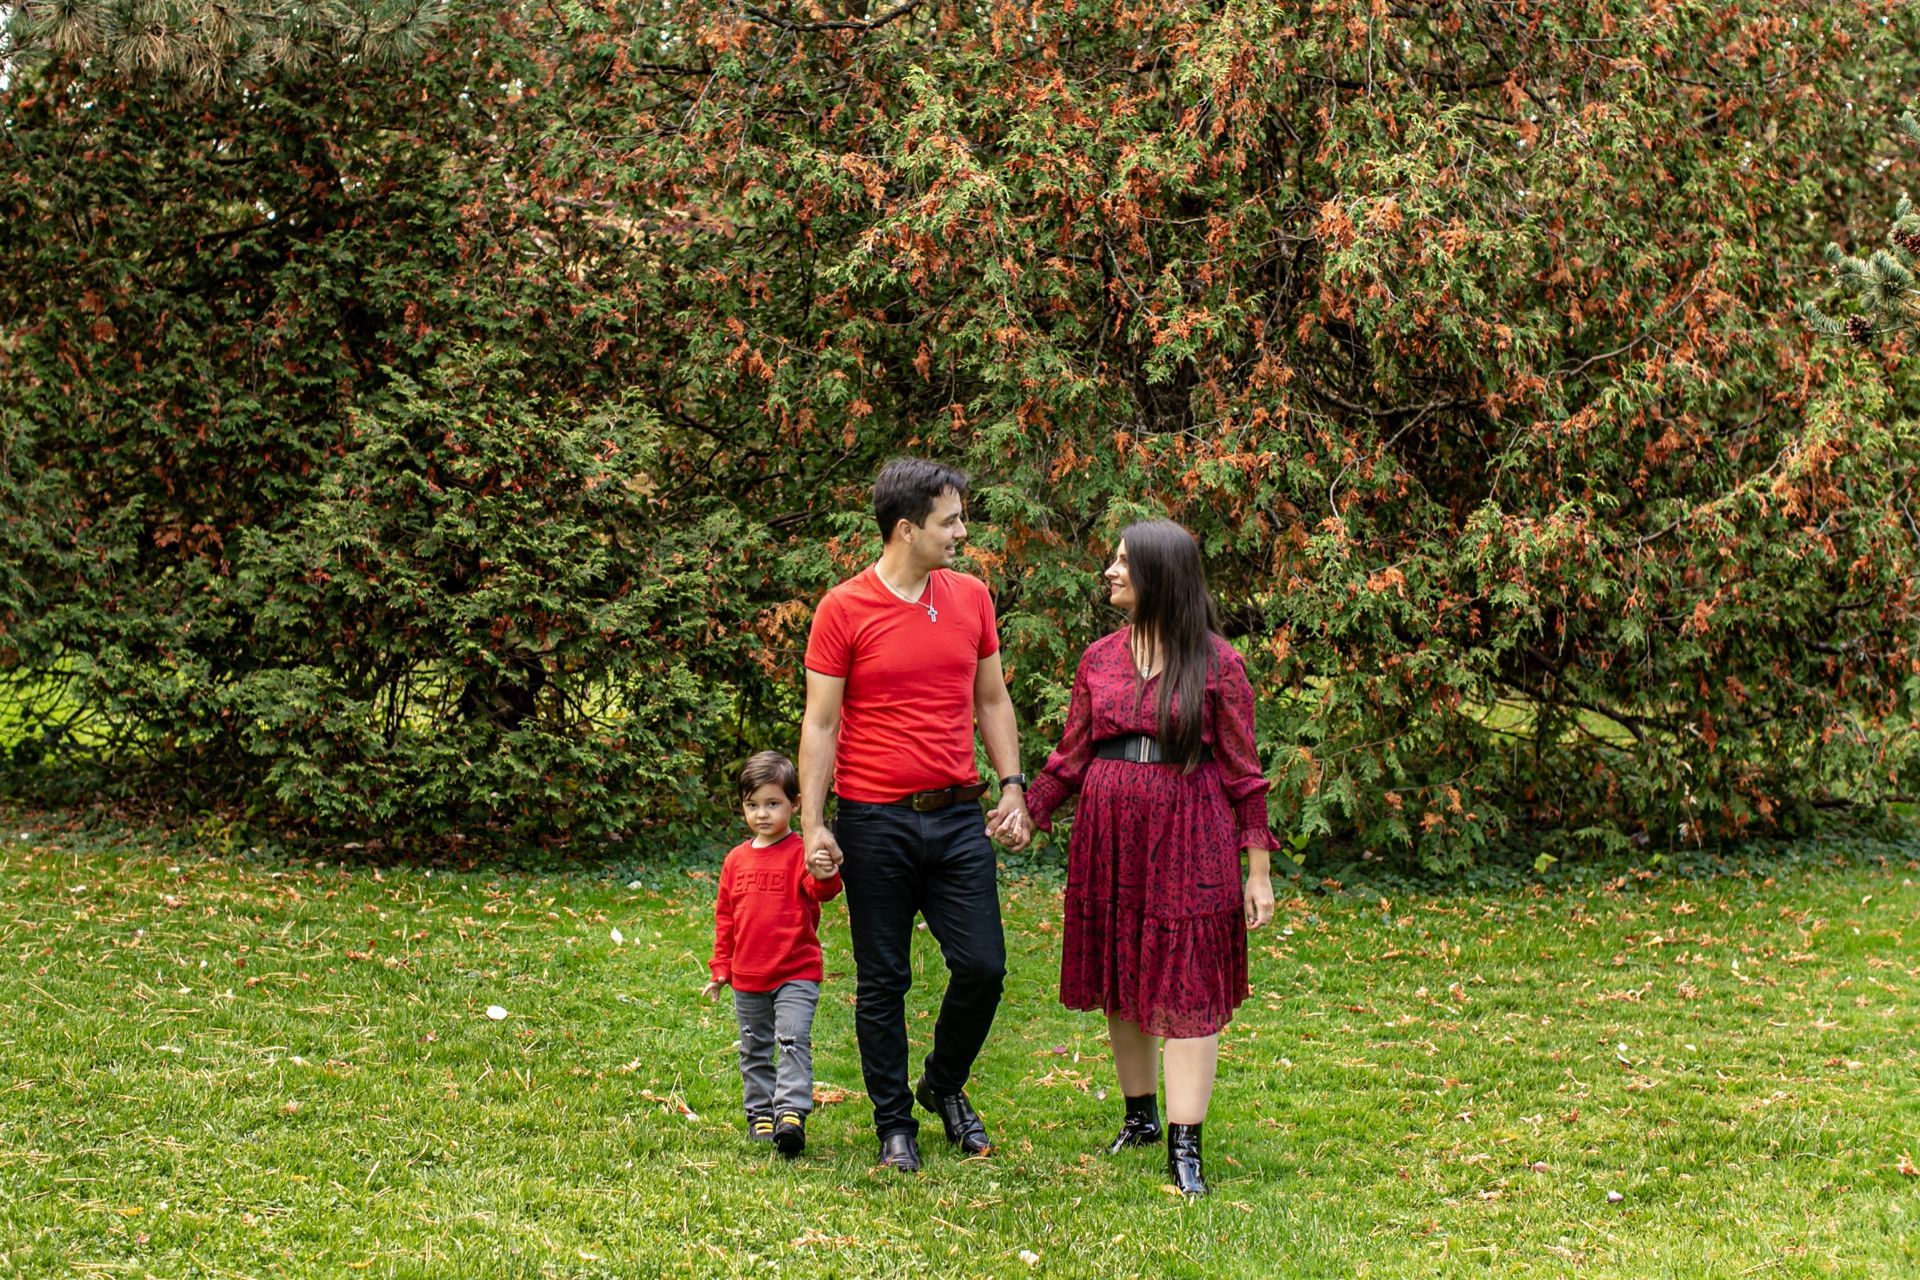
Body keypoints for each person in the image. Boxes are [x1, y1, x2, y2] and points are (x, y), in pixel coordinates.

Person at [1022, 520, 1278, 1198]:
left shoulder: (1217, 663)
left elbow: (1244, 773)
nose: (1109, 570)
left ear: (1160, 576)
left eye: (1123, 562)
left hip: (1191, 831)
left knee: (1187, 981)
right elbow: (1071, 755)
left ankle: (1185, 1145)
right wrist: (1030, 809)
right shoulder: (1098, 659)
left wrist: (1259, 871)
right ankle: (1139, 1117)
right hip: (1110, 832)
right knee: (1124, 966)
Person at [799, 458, 1033, 1172]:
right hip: (875, 821)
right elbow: (821, 724)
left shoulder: (970, 598)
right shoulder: (844, 608)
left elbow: (991, 700)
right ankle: (893, 1124)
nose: (963, 532)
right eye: (950, 521)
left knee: (983, 967)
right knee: (884, 980)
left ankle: (943, 1084)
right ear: (907, 529)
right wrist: (815, 823)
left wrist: (1013, 786)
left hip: (959, 817)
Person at [702, 750, 843, 1158]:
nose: (762, 814)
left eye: (772, 803)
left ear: (795, 804)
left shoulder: (800, 852)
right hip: (748, 977)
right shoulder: (736, 860)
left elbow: (823, 892)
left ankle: (791, 1115)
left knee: (793, 1039)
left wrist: (826, 871)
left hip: (796, 972)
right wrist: (720, 968)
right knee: (754, 1046)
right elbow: (726, 918)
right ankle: (760, 1113)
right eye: (752, 805)